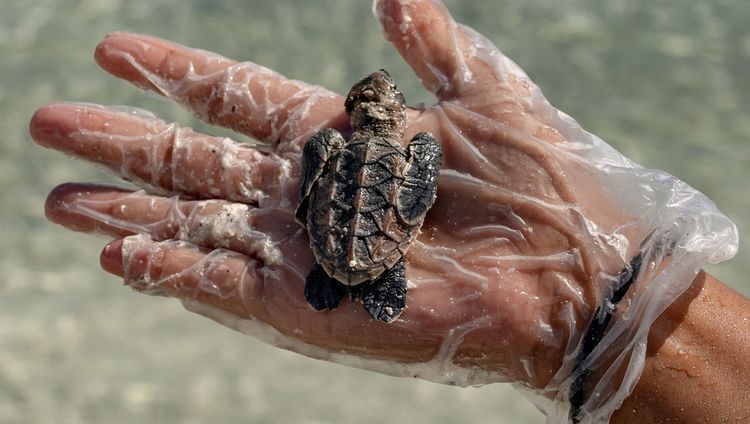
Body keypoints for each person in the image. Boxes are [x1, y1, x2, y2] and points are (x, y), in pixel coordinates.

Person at [29, 0, 747, 422]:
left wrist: (591, 298)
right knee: (367, 252)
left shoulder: (333, 152)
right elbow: (411, 182)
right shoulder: (405, 156)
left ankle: (340, 276)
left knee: (337, 251)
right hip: (374, 242)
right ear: (390, 117)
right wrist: (600, 309)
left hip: (336, 237)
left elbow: (320, 173)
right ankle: (361, 276)